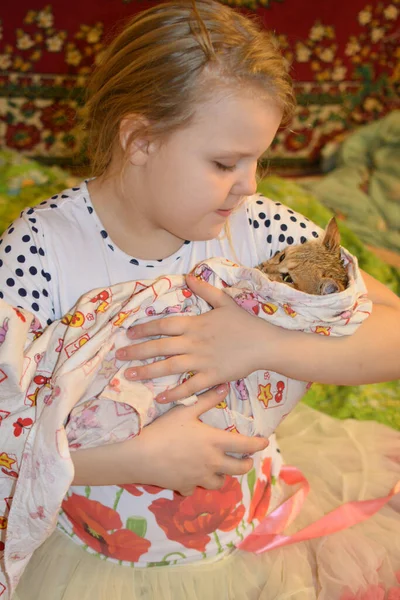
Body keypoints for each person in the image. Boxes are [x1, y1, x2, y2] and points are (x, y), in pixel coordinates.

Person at [1, 1, 399, 598]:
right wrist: (132, 461)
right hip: (92, 560)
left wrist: (262, 343)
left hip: (253, 541)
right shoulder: (42, 251)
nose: (251, 184)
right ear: (139, 140)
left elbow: (390, 332)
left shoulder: (257, 227)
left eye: (258, 159)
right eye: (225, 163)